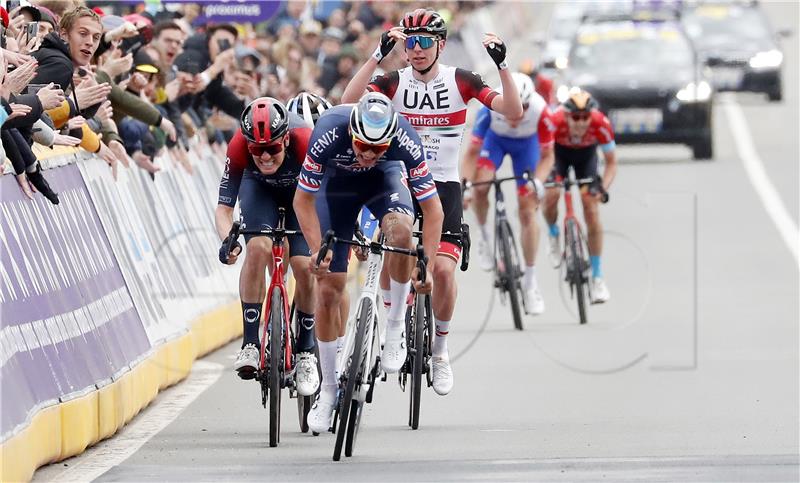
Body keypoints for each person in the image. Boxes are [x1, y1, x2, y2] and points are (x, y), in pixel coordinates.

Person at [340, 8, 522, 396]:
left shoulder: (462, 81)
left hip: (443, 187)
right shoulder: (392, 81)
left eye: (425, 42)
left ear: (440, 44)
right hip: (401, 182)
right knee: (397, 246)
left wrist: (502, 66)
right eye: (410, 43)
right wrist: (376, 55)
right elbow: (346, 102)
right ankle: (394, 328)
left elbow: (513, 111)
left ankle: (440, 352)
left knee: (441, 272)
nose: (417, 50)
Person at [293, 92, 443, 433]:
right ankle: (328, 391)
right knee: (329, 288)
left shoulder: (404, 136)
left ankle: (394, 328)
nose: (368, 154)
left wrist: (428, 265)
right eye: (363, 146)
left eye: (378, 148)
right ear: (353, 132)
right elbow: (302, 200)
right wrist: (318, 249)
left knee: (402, 235)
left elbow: (433, 211)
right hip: (337, 189)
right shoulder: (329, 130)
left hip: (383, 183)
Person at [215, 97, 320, 397]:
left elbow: (323, 201)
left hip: (301, 195)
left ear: (286, 139)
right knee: (258, 248)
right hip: (258, 190)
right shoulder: (238, 146)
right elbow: (224, 209)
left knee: (304, 266)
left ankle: (306, 351)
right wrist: (227, 241)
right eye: (257, 150)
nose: (265, 157)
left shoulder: (305, 141)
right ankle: (250, 342)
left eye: (273, 148)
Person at [462, 72, 555, 314]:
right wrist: (465, 186)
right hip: (496, 142)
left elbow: (547, 157)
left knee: (527, 210)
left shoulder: (541, 111)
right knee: (481, 186)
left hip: (527, 147)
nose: (518, 114)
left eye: (523, 106)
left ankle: (530, 280)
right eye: (515, 107)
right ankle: (484, 236)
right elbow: (472, 153)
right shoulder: (489, 110)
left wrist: (538, 182)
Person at [543, 88, 617, 304]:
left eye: (585, 117)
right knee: (552, 195)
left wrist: (603, 187)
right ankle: (554, 233)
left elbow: (611, 162)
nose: (581, 123)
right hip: (557, 156)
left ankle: (597, 277)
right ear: (566, 114)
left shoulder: (600, 122)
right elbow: (541, 153)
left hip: (586, 159)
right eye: (576, 117)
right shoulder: (554, 120)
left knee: (591, 209)